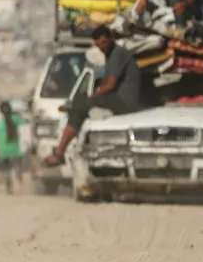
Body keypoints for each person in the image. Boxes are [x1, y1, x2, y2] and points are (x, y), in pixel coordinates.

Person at [42, 26, 143, 167]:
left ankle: (59, 152)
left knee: (80, 107)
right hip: (118, 99)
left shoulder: (117, 53)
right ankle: (60, 151)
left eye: (105, 43)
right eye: (99, 45)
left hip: (124, 102)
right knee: (79, 108)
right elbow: (106, 81)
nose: (103, 47)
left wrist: (92, 97)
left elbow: (110, 85)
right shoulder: (110, 55)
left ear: (111, 39)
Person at [0, 102, 27, 194]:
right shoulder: (16, 119)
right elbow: (25, 126)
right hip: (15, 150)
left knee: (6, 169)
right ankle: (20, 184)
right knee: (17, 167)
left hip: (3, 150)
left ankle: (8, 187)